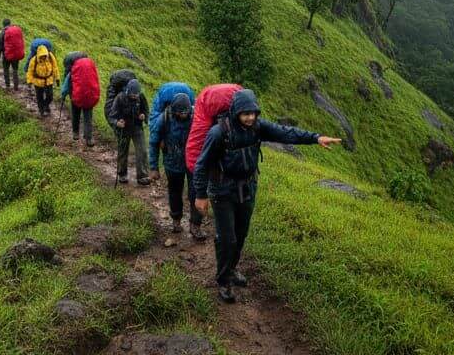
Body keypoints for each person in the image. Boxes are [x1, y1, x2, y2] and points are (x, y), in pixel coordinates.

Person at [193, 88, 340, 303]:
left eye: (253, 113)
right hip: (223, 192)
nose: (250, 117)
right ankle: (224, 281)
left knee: (241, 234)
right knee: (227, 238)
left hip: (248, 189)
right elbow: (201, 165)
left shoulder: (258, 128)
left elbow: (286, 133)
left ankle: (232, 269)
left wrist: (316, 138)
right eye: (245, 113)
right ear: (235, 112)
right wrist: (200, 195)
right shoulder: (218, 133)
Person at [149, 92, 205, 240]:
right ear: (173, 110)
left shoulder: (196, 117)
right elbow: (154, 142)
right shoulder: (165, 118)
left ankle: (196, 225)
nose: (183, 116)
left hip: (193, 162)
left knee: (196, 192)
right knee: (175, 191)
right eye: (180, 113)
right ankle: (176, 220)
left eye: (186, 112)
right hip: (172, 162)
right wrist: (153, 167)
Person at [111, 78, 150, 185]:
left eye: (136, 95)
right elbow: (112, 116)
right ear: (128, 91)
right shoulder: (120, 98)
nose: (135, 96)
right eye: (133, 95)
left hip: (137, 127)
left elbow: (146, 110)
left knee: (142, 150)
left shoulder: (141, 97)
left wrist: (144, 116)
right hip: (124, 128)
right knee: (123, 151)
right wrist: (117, 122)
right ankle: (122, 174)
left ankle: (142, 176)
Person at [61, 54, 100, 147]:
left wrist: (63, 95)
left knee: (75, 114)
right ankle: (89, 138)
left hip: (76, 96)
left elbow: (66, 85)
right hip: (90, 96)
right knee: (88, 117)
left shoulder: (73, 69)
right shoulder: (91, 66)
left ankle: (75, 133)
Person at [26, 43, 59, 116]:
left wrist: (57, 78)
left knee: (50, 96)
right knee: (39, 97)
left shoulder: (50, 56)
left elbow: (55, 67)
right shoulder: (34, 60)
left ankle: (45, 105)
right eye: (42, 55)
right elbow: (30, 71)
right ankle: (41, 111)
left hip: (49, 80)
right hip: (38, 81)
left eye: (45, 55)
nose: (44, 57)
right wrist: (29, 81)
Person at [0, 19, 25, 91]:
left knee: (6, 70)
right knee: (15, 70)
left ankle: (8, 86)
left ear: (3, 24)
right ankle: (16, 86)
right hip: (16, 54)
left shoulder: (3, 32)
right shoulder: (16, 30)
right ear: (10, 23)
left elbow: (0, 46)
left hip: (7, 54)